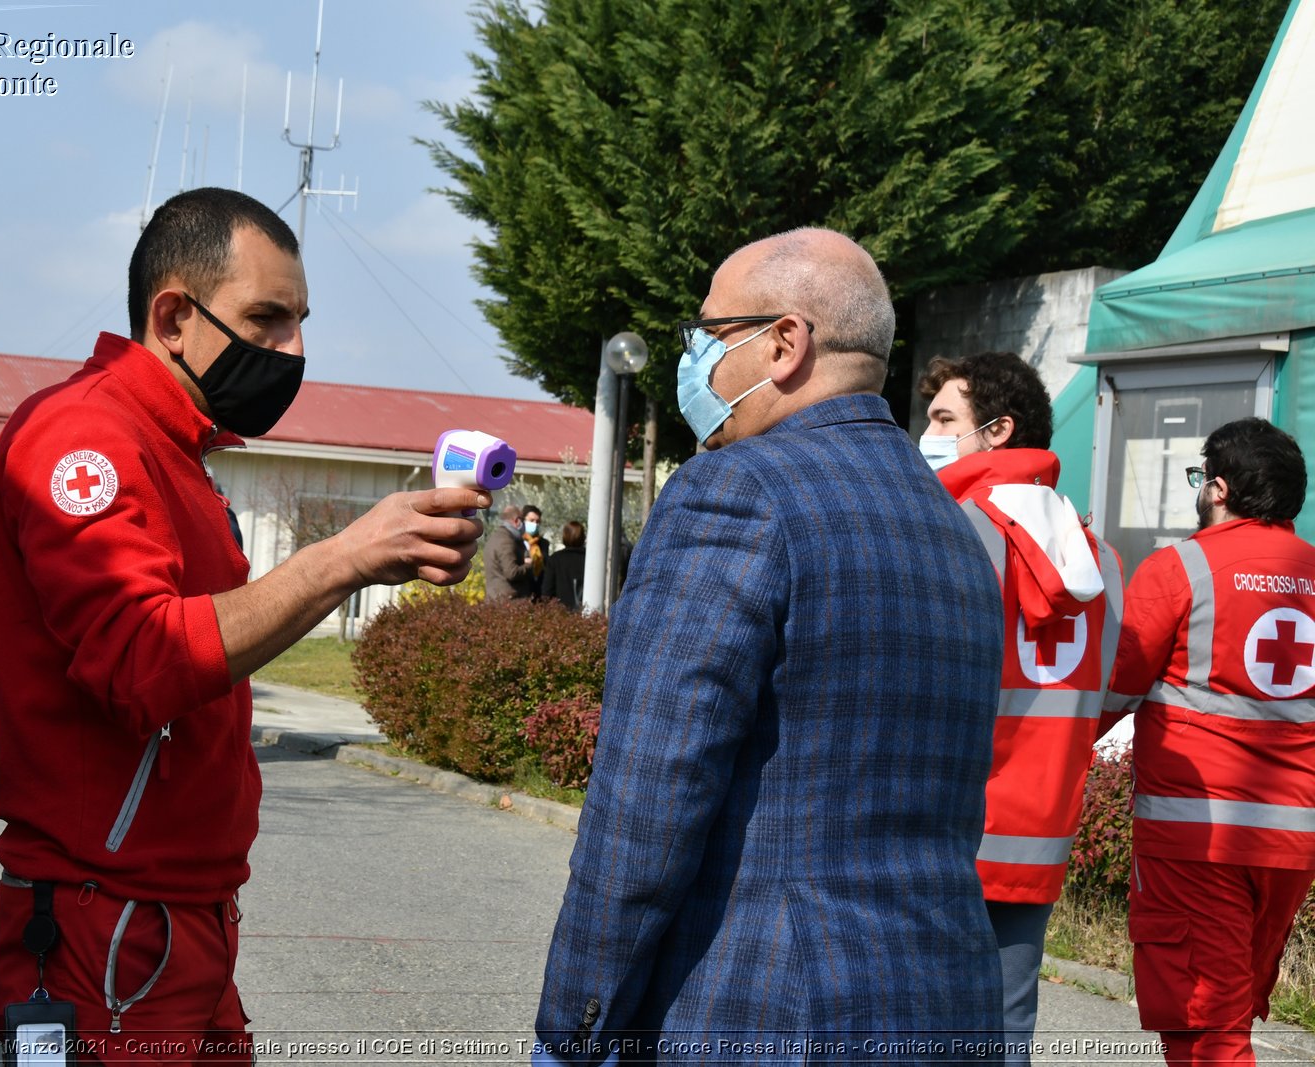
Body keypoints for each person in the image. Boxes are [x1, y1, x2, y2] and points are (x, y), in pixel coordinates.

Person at [0, 186, 485, 1056]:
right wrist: (344, 557)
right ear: (173, 315)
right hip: (105, 927)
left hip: (173, 918)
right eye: (267, 319)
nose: (294, 350)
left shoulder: (174, 445)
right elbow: (140, 661)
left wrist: (379, 555)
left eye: (299, 321)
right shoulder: (86, 439)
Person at [533, 229, 1004, 1063]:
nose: (698, 363)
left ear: (785, 343)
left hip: (763, 1009)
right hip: (948, 1002)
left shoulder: (736, 491)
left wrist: (574, 1024)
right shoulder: (953, 527)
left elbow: (646, 797)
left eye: (710, 337)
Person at [919, 351, 1123, 1062]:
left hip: (938, 828)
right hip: (1038, 834)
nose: (928, 432)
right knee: (1006, 1031)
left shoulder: (946, 532)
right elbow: (1106, 695)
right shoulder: (1100, 560)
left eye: (945, 418)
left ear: (998, 430)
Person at [1100, 417, 1315, 1067]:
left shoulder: (1180, 568)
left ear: (1217, 488)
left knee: (1206, 1033)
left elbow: (1113, 689)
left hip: (1197, 838)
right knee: (1232, 1009)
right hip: (1292, 840)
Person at [484, 504, 535, 602]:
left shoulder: (495, 537)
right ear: (516, 521)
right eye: (523, 521)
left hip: (496, 598)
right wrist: (528, 565)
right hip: (509, 601)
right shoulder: (506, 541)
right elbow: (512, 573)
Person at [539, 521, 587, 610]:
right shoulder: (589, 559)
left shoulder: (555, 559)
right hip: (587, 613)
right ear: (583, 537)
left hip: (561, 615)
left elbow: (547, 592)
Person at [522, 504, 550, 599]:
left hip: (539, 594)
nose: (535, 524)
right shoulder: (516, 542)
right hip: (523, 593)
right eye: (531, 520)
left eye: (538, 521)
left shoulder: (544, 544)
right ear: (523, 521)